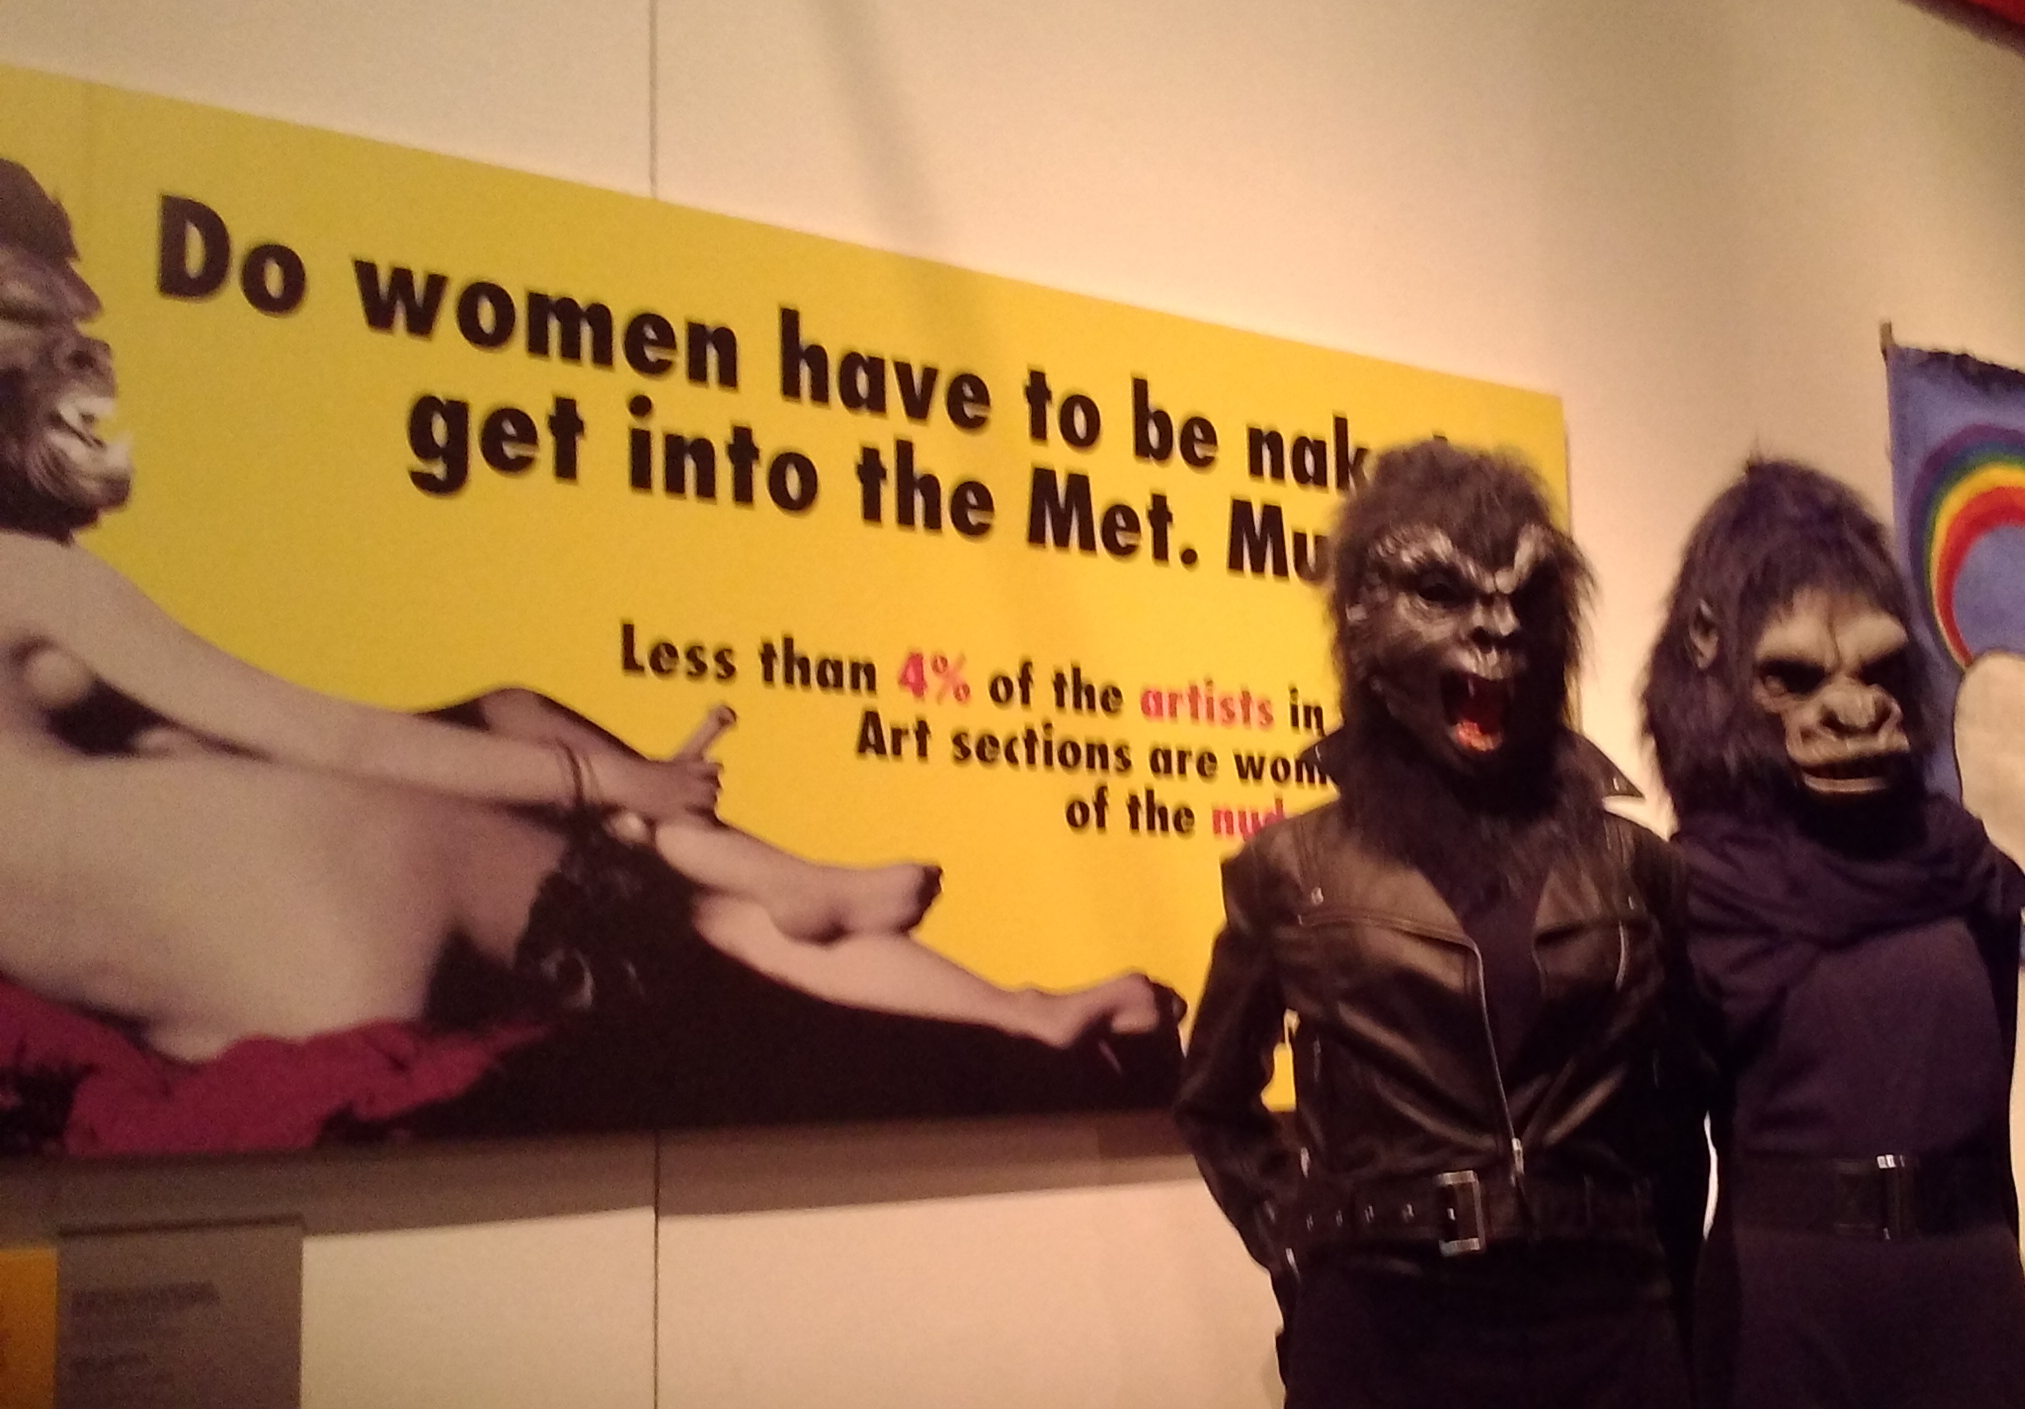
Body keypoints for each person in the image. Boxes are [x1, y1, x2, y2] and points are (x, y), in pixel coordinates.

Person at [0, 153, 1164, 1139]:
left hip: (216, 946)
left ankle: (900, 945)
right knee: (681, 903)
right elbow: (325, 734)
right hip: (326, 893)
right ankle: (825, 913)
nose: (91, 370)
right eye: (56, 333)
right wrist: (615, 784)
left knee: (509, 715)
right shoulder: (34, 574)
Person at [1175, 443, 1714, 1409]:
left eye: (1523, 600)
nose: (1493, 632)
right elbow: (1216, 1101)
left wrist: (1658, 1295)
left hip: (1603, 1361)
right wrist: (1309, 1248)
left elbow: (1676, 1118)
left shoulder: (1637, 868)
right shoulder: (1291, 870)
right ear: (1362, 624)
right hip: (1390, 1367)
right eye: (1441, 593)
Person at [1640, 457, 2025, 1409]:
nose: (1853, 707)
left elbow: (1988, 1099)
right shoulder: (1698, 889)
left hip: (1961, 1283)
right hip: (1782, 1297)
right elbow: (1668, 1146)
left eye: (1877, 670)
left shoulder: (1956, 859)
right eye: (1795, 678)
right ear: (1720, 678)